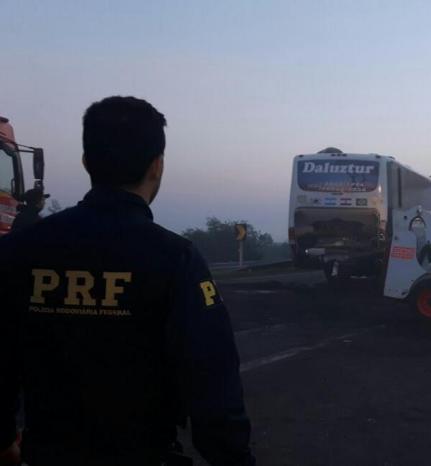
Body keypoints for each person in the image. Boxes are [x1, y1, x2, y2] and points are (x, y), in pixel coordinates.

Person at [0, 96, 254, 466]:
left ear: (87, 162)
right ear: (157, 166)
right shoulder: (176, 258)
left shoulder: (18, 250)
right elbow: (211, 381)